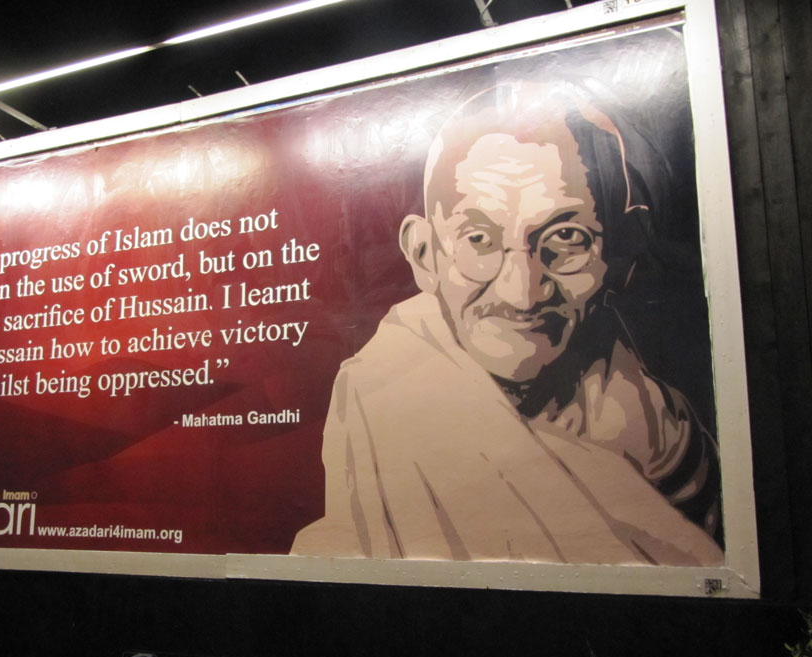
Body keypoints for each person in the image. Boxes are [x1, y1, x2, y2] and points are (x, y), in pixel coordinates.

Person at [292, 81, 723, 566]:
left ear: (619, 254)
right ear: (424, 253)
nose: (523, 292)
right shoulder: (378, 394)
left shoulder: (659, 424)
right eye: (479, 239)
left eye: (566, 237)